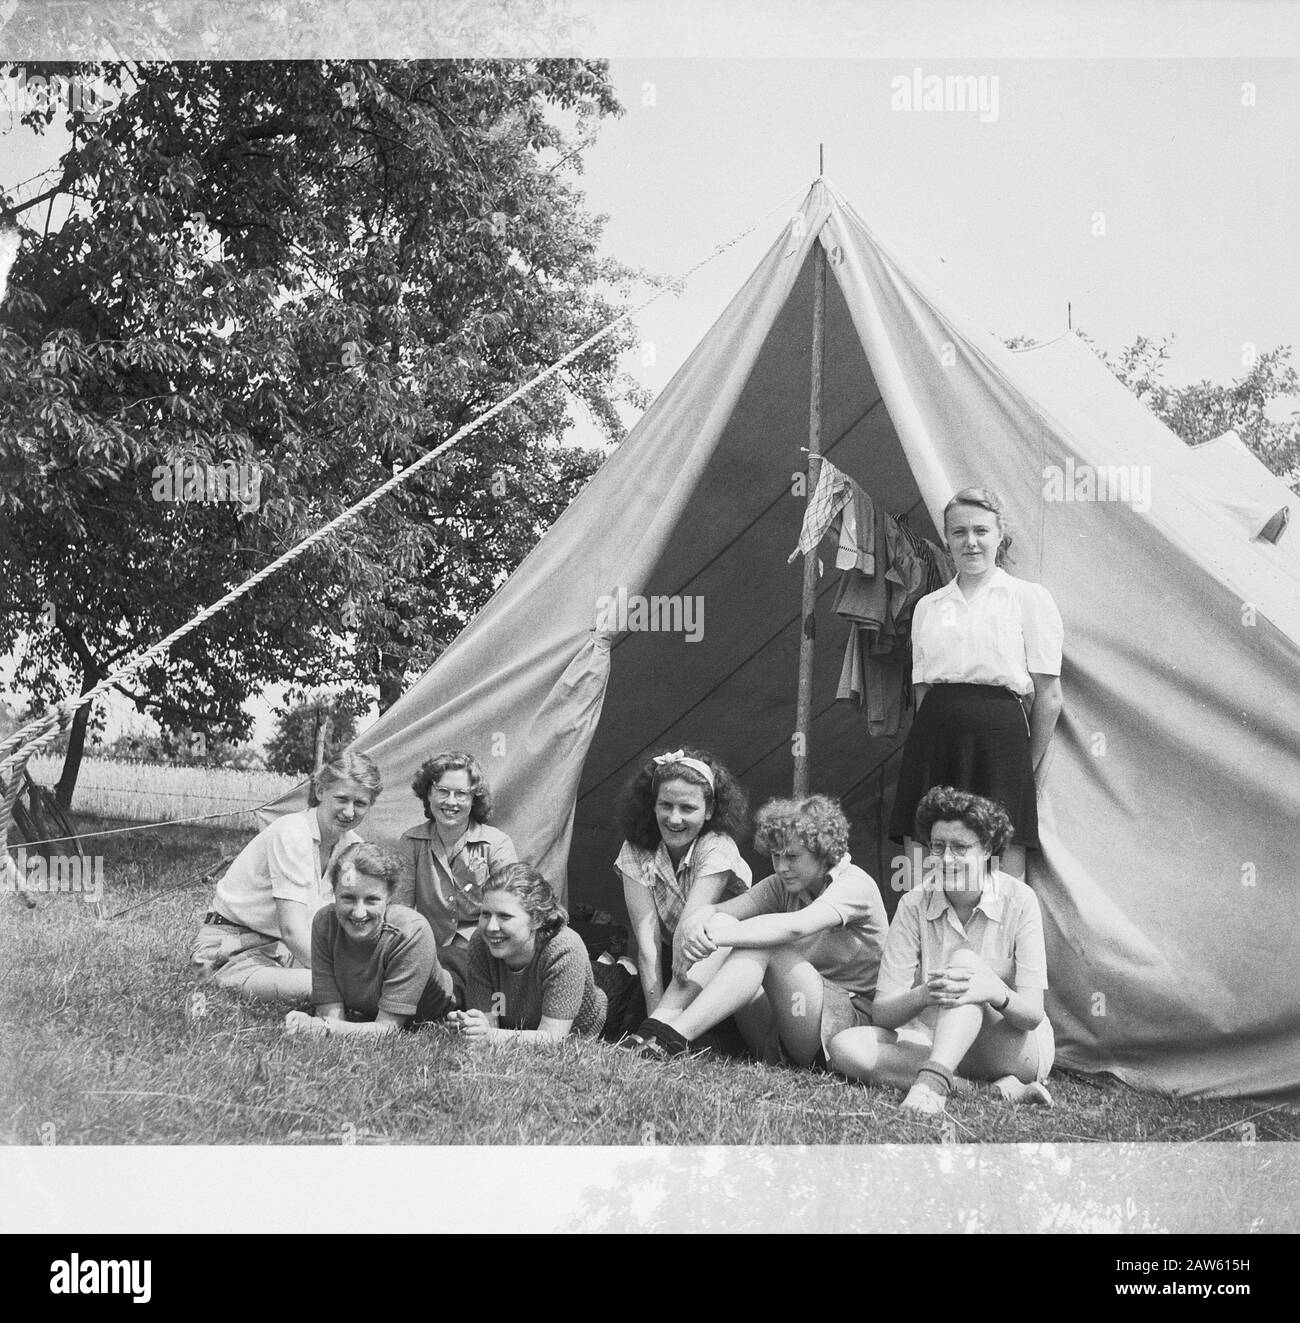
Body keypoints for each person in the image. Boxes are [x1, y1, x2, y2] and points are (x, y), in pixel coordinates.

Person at [829, 785, 1055, 1113]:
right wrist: (925, 993)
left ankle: (930, 1088)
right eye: (938, 846)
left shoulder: (1020, 900)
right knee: (846, 1047)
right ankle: (982, 1090)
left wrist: (993, 991)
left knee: (964, 961)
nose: (946, 859)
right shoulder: (913, 904)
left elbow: (1032, 1016)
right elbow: (884, 1014)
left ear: (988, 848)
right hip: (938, 1044)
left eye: (960, 847)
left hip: (1014, 1049)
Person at [632, 795, 887, 1068]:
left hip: (840, 1031)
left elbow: (795, 926)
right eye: (776, 856)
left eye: (792, 857)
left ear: (824, 852)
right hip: (789, 1019)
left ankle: (674, 1038)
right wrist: (695, 927)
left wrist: (712, 938)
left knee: (766, 943)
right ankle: (654, 1029)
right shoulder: (783, 884)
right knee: (724, 925)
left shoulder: (856, 884)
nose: (781, 867)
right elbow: (719, 912)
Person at [888, 488, 1063, 879]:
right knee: (928, 849)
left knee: (1002, 850)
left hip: (1000, 742)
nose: (971, 542)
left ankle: (1000, 939)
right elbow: (922, 693)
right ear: (947, 539)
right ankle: (928, 935)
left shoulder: (1027, 598)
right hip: (934, 737)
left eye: (981, 530)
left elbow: (1049, 696)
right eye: (959, 532)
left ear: (1000, 535)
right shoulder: (928, 607)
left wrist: (1023, 768)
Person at [191, 751, 381, 1001]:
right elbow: (292, 929)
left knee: (369, 982)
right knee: (327, 987)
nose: (349, 812)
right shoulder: (293, 832)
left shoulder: (353, 846)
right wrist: (343, 976)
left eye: (360, 804)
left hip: (283, 951)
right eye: (342, 799)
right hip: (231, 947)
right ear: (321, 791)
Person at [613, 748, 751, 1018]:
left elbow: (687, 930)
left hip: (722, 963)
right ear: (652, 804)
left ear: (709, 810)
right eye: (666, 805)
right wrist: (654, 1015)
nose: (674, 818)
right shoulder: (634, 851)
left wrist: (660, 1026)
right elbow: (648, 944)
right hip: (671, 964)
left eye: (687, 808)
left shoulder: (717, 847)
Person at [283, 842, 455, 1038]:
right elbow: (331, 1015)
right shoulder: (325, 924)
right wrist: (317, 1025)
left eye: (372, 900)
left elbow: (387, 1029)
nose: (358, 912)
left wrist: (323, 1028)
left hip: (452, 995)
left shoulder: (411, 932)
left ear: (389, 897)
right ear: (333, 892)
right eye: (348, 898)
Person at [396, 751, 517, 1007]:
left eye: (461, 794)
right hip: (429, 952)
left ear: (474, 799)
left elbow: (511, 912)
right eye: (442, 791)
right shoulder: (411, 842)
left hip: (484, 954)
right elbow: (401, 912)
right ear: (428, 794)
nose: (451, 802)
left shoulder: (496, 844)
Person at [449, 863, 607, 1044]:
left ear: (537, 920)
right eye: (486, 914)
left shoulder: (565, 949)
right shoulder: (480, 942)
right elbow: (488, 1025)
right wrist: (471, 1026)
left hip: (612, 1010)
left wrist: (490, 1035)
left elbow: (553, 1038)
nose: (491, 927)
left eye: (504, 916)